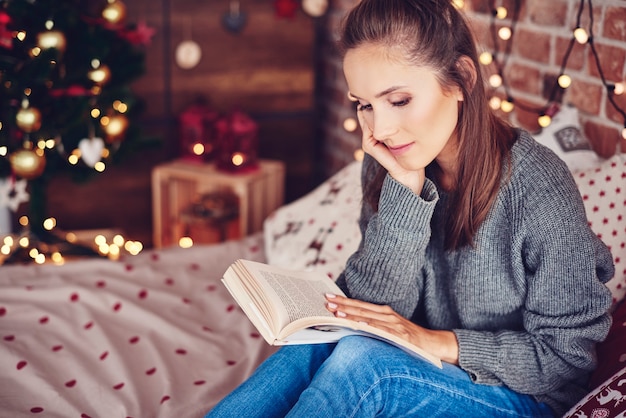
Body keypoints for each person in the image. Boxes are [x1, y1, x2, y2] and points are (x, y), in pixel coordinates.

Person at [206, 0, 614, 416]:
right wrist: (405, 191)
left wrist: (430, 340)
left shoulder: (540, 187)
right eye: (364, 104)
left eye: (398, 100)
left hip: (521, 394)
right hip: (418, 361)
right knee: (314, 347)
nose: (379, 129)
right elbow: (373, 307)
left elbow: (564, 359)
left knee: (363, 366)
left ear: (460, 79)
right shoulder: (389, 159)